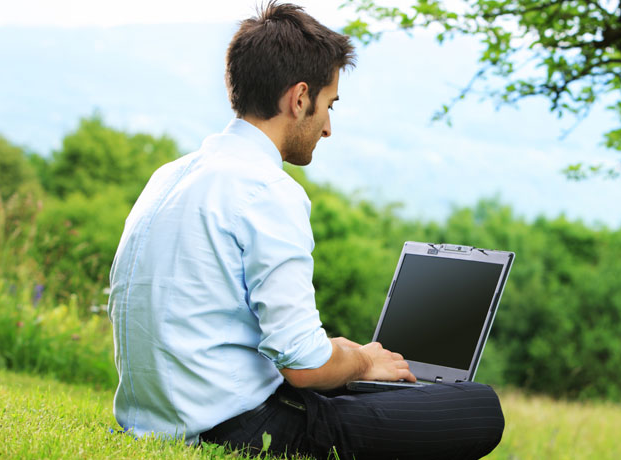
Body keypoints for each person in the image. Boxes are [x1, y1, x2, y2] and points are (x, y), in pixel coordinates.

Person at [107, 2, 504, 458]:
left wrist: (344, 354)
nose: (328, 127)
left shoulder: (171, 175)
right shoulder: (267, 189)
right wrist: (362, 359)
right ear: (299, 99)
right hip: (235, 428)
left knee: (384, 389)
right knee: (478, 408)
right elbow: (306, 367)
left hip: (152, 420)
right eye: (328, 104)